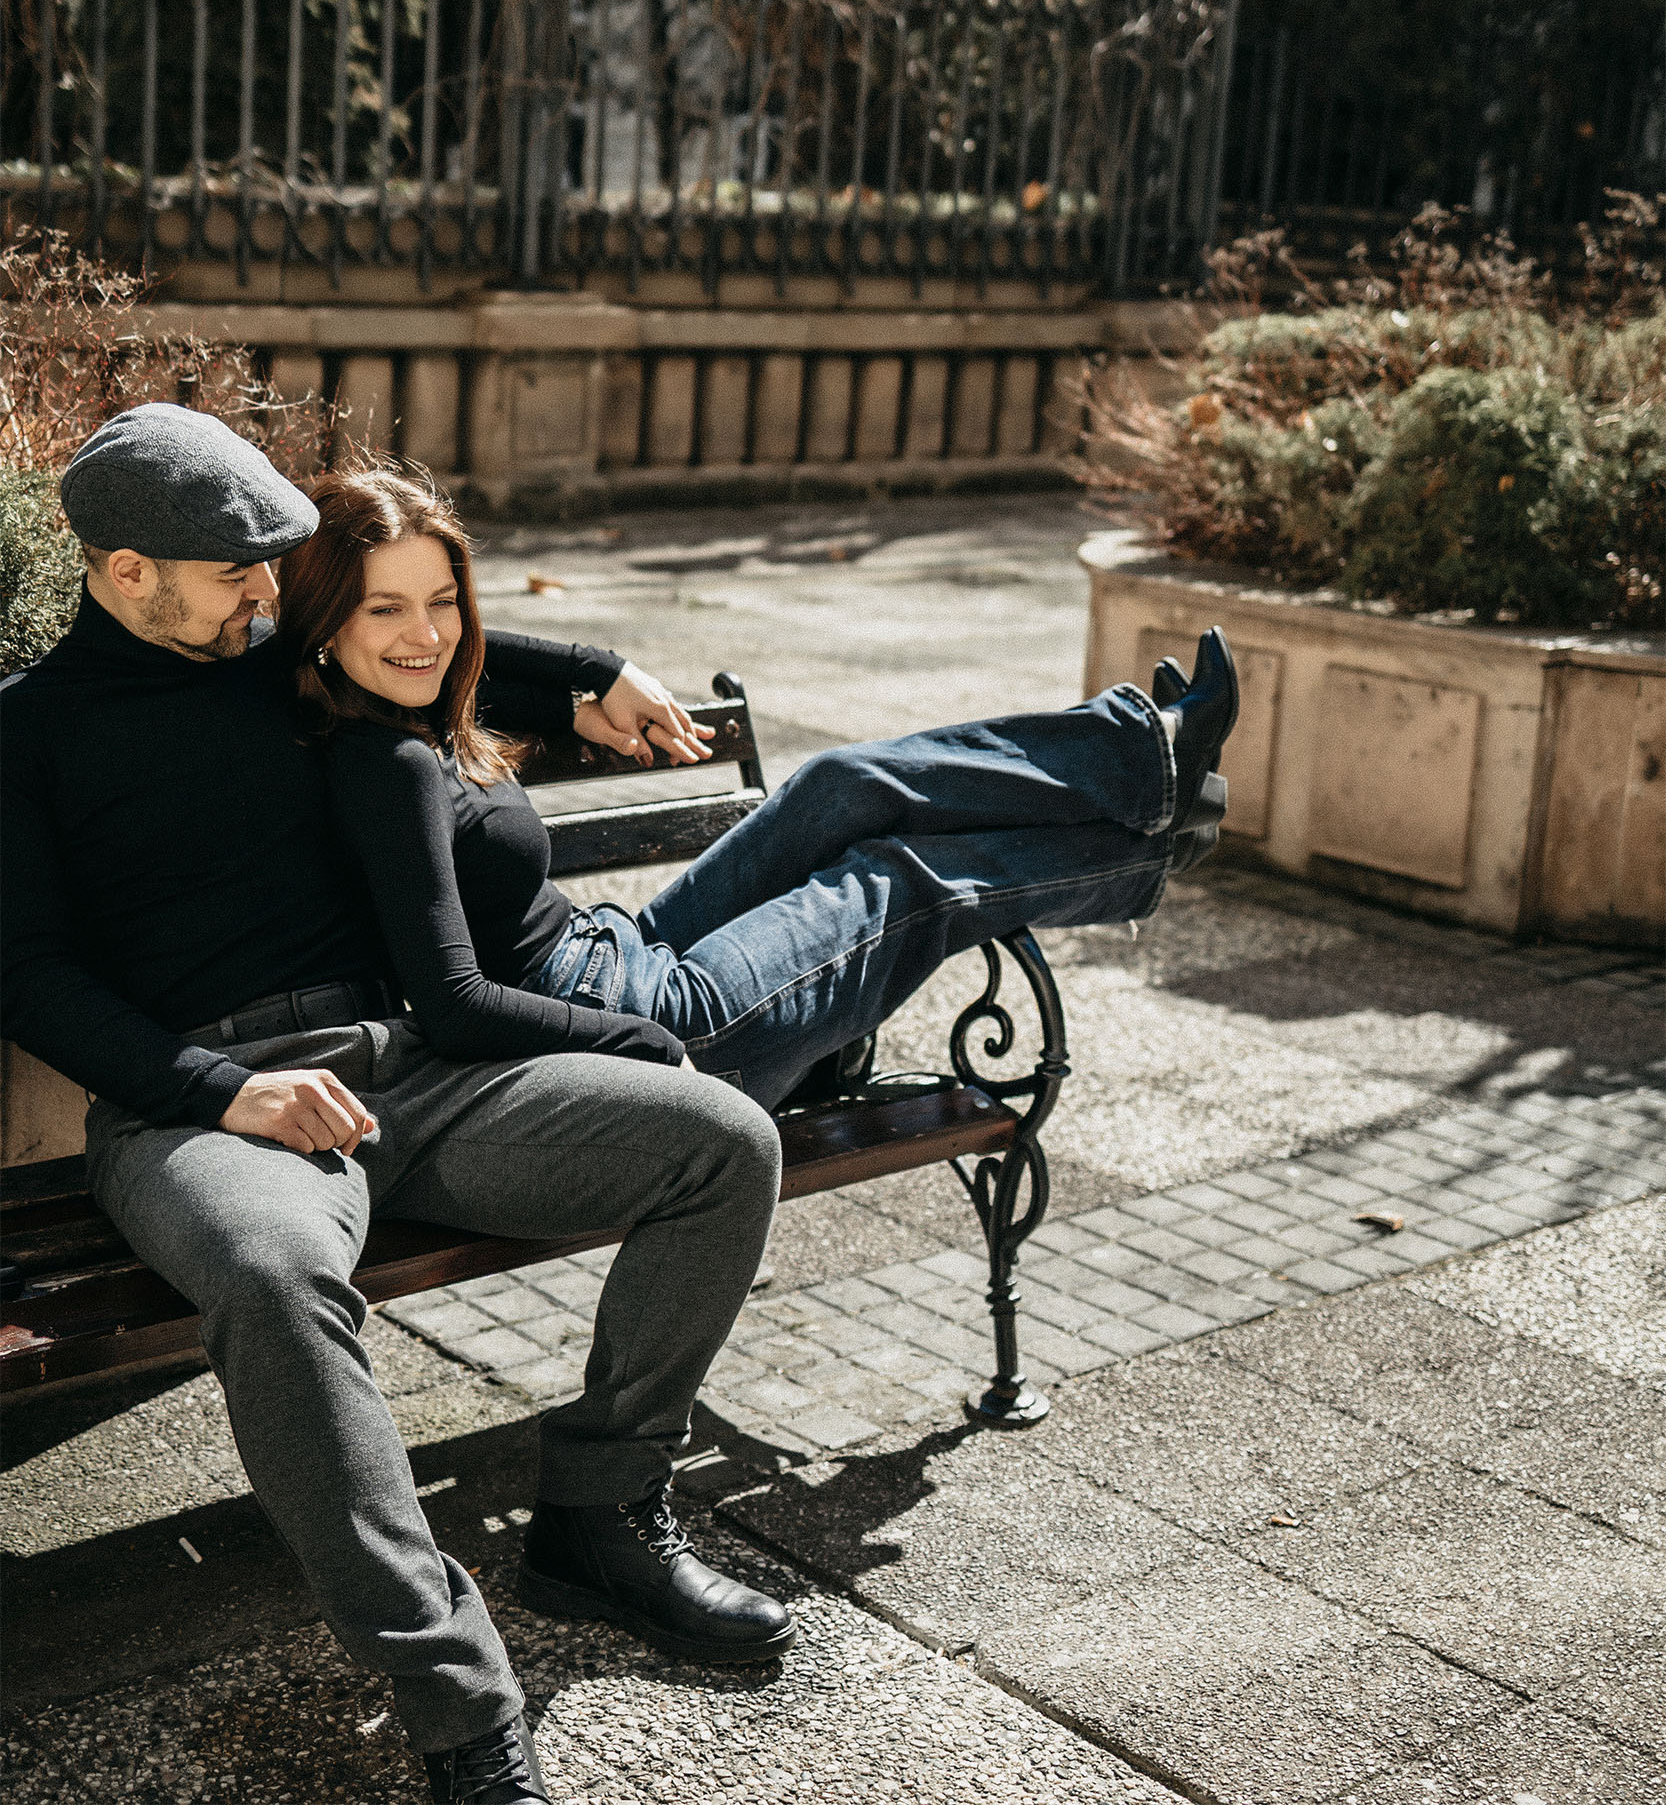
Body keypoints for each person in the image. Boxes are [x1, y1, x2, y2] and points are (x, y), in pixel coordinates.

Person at [0, 406, 801, 1805]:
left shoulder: (278, 665)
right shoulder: (25, 733)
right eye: (238, 570)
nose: (267, 592)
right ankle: (458, 1699)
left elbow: (417, 628)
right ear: (126, 571)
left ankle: (601, 1510)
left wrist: (592, 671)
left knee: (721, 1144)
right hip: (200, 1109)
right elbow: (27, 973)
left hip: (417, 1068)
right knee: (273, 1276)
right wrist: (223, 1090)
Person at [279, 461, 1238, 1118]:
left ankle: (1145, 757)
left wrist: (591, 672)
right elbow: (452, 1002)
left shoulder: (387, 696)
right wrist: (649, 1046)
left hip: (624, 951)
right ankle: (1149, 846)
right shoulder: (388, 766)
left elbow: (468, 657)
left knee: (837, 782)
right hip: (661, 1023)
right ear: (328, 619)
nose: (427, 635)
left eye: (444, 599)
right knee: (899, 877)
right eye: (387, 607)